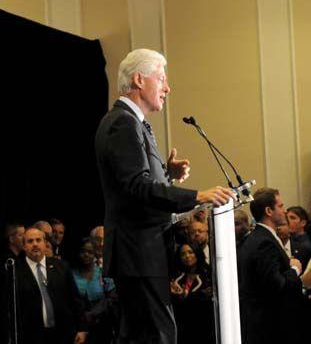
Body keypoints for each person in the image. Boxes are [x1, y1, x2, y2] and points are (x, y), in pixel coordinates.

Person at [94, 48, 235, 344]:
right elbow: (137, 186)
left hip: (140, 252)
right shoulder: (123, 123)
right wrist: (197, 195)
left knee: (144, 334)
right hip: (138, 252)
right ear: (139, 79)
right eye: (161, 79)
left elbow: (134, 183)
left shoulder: (132, 122)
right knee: (157, 336)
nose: (167, 88)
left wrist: (166, 173)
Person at [237, 188, 303, 344]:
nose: (284, 210)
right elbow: (275, 284)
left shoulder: (255, 238)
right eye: (280, 206)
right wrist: (294, 269)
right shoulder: (265, 242)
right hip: (270, 327)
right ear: (269, 211)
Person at [6, 227, 87, 344]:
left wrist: (82, 328)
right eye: (30, 241)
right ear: (24, 246)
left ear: (45, 243)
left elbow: (74, 298)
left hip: (63, 333)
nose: (35, 244)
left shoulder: (61, 266)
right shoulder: (15, 271)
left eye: (38, 240)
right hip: (31, 336)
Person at [72, 238, 117, 344]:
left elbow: (112, 297)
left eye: (90, 252)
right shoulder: (70, 274)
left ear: (95, 254)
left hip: (102, 323)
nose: (86, 254)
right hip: (78, 326)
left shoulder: (102, 273)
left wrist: (94, 313)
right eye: (83, 251)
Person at [169, 243, 214, 344]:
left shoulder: (208, 275)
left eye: (190, 252)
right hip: (183, 328)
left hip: (203, 327)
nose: (187, 256)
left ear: (197, 254)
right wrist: (178, 296)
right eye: (183, 254)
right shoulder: (177, 278)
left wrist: (188, 297)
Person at [287, 206, 311, 271]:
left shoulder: (305, 245)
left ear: (303, 223)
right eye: (286, 217)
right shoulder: (288, 239)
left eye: (292, 218)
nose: (287, 220)